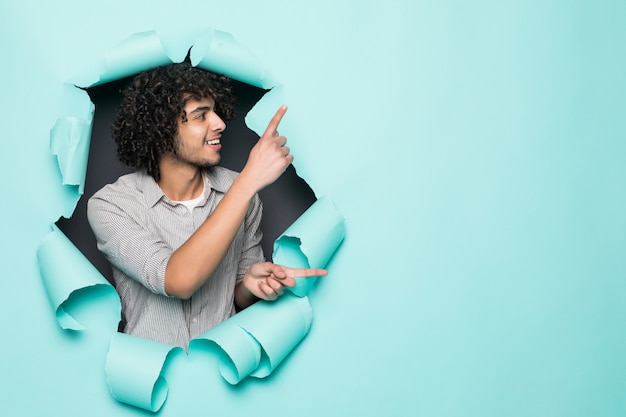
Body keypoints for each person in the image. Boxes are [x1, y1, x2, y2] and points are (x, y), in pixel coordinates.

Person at [87, 62, 326, 348]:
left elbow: (236, 296)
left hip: (223, 375)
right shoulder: (112, 205)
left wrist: (250, 286)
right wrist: (249, 181)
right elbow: (178, 281)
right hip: (152, 375)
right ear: (161, 128)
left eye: (215, 111)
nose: (220, 123)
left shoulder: (241, 194)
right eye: (201, 116)